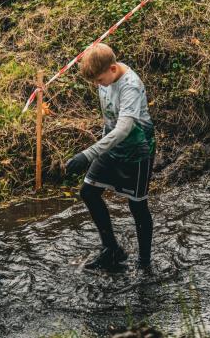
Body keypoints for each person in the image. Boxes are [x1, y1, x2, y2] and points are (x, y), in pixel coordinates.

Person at [65, 44, 156, 271]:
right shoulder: (104, 77)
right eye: (95, 82)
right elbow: (109, 119)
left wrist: (88, 154)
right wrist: (100, 147)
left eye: (99, 80)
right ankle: (112, 250)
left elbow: (124, 128)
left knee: (137, 206)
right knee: (88, 192)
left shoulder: (130, 87)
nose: (98, 85)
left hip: (137, 149)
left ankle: (144, 264)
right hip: (110, 146)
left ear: (113, 69)